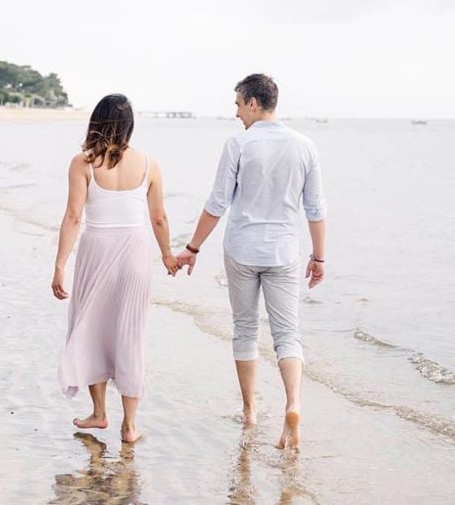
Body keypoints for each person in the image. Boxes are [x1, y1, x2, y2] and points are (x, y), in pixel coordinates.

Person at [176, 74, 326, 450]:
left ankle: (250, 411)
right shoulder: (304, 146)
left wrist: (192, 248)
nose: (236, 112)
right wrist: (319, 256)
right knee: (287, 335)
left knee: (245, 330)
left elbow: (217, 202)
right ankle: (293, 405)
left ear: (254, 103)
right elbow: (315, 208)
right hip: (284, 251)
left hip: (242, 249)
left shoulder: (239, 144)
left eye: (239, 104)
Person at [52, 93, 179, 443]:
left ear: (97, 120)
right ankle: (130, 425)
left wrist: (60, 264)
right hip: (136, 253)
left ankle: (99, 413)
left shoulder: (83, 163)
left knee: (92, 326)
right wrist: (167, 254)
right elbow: (159, 217)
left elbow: (74, 216)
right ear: (129, 125)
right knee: (130, 333)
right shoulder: (150, 164)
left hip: (97, 250)